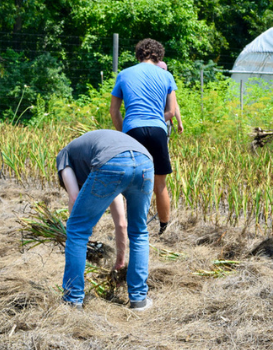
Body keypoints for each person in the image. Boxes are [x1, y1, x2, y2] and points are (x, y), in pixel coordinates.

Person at [56, 129, 154, 310]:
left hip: (112, 162)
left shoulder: (64, 156)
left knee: (77, 230)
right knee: (139, 231)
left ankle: (72, 298)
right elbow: (122, 223)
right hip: (145, 161)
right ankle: (139, 299)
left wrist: (74, 227)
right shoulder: (95, 158)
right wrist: (120, 259)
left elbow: (74, 198)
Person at [110, 38, 182, 235]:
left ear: (138, 54)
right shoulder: (165, 76)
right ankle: (163, 229)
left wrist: (124, 131)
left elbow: (114, 110)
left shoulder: (124, 74)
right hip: (158, 130)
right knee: (160, 184)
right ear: (159, 55)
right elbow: (171, 110)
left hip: (133, 130)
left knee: (131, 182)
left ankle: (130, 228)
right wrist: (158, 120)